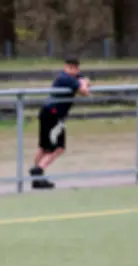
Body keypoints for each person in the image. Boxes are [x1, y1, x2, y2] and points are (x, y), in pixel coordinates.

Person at [30, 57, 91, 189]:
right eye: (72, 68)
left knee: (44, 147)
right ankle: (38, 170)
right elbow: (84, 92)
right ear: (68, 67)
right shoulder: (66, 79)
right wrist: (84, 84)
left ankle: (36, 179)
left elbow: (85, 80)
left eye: (76, 68)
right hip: (54, 115)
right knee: (59, 148)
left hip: (47, 112)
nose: (76, 71)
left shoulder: (71, 77)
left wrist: (84, 81)